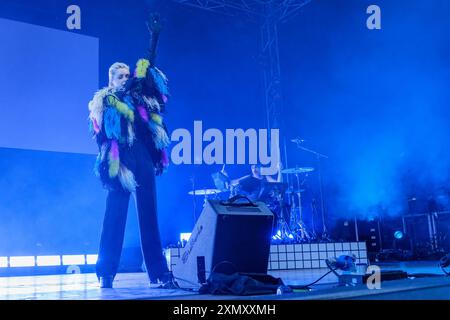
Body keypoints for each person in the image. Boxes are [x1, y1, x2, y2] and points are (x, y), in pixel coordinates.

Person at [87, 56, 171, 288]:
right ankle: (106, 272)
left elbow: (148, 71)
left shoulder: (138, 97)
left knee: (149, 213)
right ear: (111, 80)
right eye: (120, 76)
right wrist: (123, 100)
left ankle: (158, 272)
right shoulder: (105, 100)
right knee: (115, 214)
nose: (125, 79)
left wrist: (154, 39)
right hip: (119, 157)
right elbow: (105, 131)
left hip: (141, 154)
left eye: (127, 76)